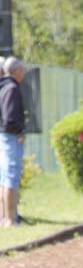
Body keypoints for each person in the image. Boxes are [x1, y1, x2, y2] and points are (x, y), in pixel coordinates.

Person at [0, 57, 27, 227]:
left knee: (3, 177)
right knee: (11, 176)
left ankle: (4, 217)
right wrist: (19, 131)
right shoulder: (12, 88)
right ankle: (11, 219)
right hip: (10, 137)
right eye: (23, 70)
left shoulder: (3, 87)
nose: (24, 73)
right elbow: (9, 117)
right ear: (16, 71)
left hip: (4, 136)